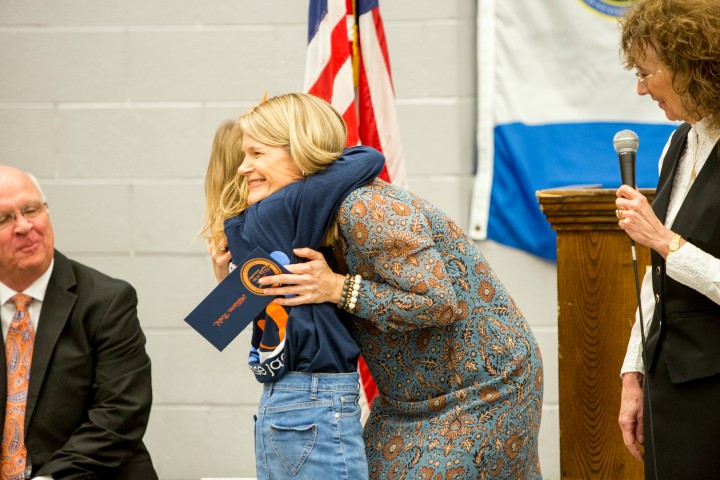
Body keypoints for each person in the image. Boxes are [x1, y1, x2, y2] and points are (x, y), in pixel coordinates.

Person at [249, 109, 544, 479]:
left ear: (301, 152)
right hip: (403, 402)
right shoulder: (302, 221)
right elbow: (285, 314)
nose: (245, 167)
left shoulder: (364, 206)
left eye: (257, 154)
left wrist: (339, 287)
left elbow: (439, 301)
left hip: (482, 390)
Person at [205, 94, 385, 480]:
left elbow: (223, 317)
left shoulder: (245, 224)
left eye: (256, 154)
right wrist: (310, 160)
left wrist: (224, 280)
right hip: (316, 399)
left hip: (279, 399)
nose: (243, 168)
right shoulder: (283, 207)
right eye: (244, 154)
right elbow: (368, 157)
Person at [615, 1, 720, 478]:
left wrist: (664, 240)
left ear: (692, 63)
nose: (640, 89)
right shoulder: (679, 142)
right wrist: (633, 372)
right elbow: (655, 277)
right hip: (669, 383)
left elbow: (665, 248)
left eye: (646, 72)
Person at [0, 165, 157, 479]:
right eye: (4, 219)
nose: (24, 226)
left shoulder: (107, 301)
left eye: (31, 210)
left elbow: (120, 413)